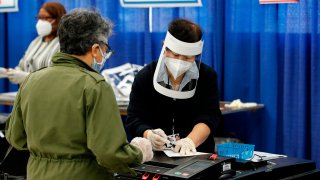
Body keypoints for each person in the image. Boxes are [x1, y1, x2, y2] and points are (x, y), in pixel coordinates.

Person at [5, 9, 153, 180]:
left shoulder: (31, 81)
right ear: (96, 48)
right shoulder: (95, 86)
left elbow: (16, 138)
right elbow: (110, 155)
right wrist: (138, 152)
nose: (105, 54)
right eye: (106, 49)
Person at [126, 19, 222, 155]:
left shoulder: (207, 76)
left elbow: (209, 116)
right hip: (156, 155)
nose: (180, 62)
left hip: (196, 153)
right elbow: (135, 118)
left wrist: (190, 141)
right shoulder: (146, 76)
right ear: (165, 49)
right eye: (176, 55)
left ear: (195, 56)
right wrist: (149, 135)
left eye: (188, 58)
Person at [0, 2, 66, 84]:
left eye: (46, 18)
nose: (41, 22)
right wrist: (7, 72)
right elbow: (22, 67)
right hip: (29, 93)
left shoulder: (64, 44)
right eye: (39, 18)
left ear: (59, 19)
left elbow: (59, 77)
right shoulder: (36, 41)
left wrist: (27, 77)